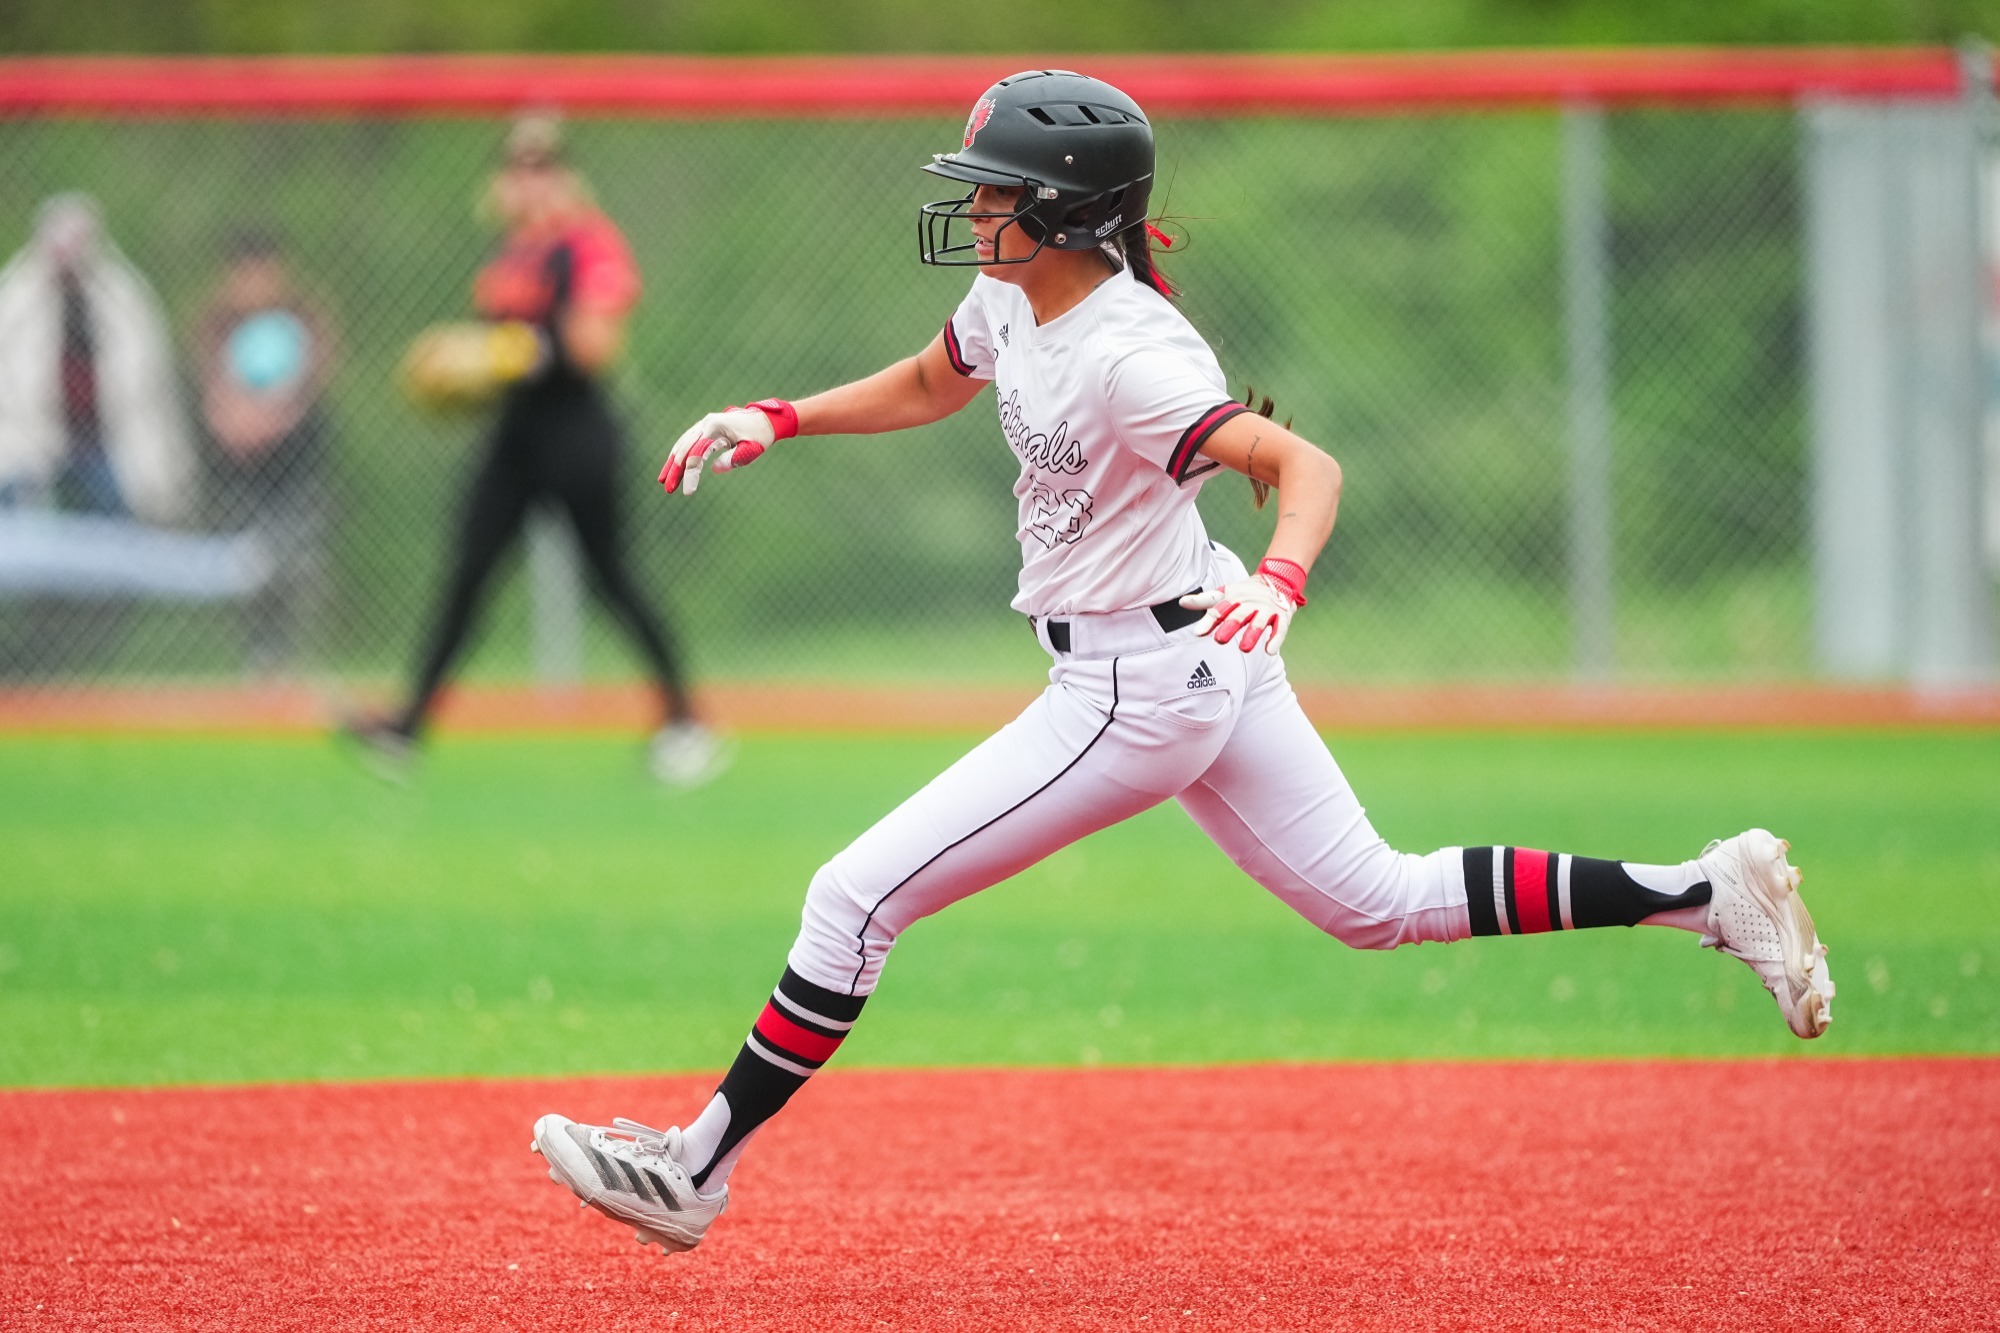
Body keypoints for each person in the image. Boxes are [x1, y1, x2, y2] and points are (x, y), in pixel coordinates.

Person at [529, 71, 1835, 1254]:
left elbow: (1304, 465)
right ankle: (1704, 891)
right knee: (1374, 898)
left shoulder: (1132, 353)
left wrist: (1283, 577)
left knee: (851, 899)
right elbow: (934, 380)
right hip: (1180, 645)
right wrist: (780, 416)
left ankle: (693, 1169)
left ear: (1064, 211)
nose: (973, 206)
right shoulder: (1015, 291)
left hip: (1137, 688)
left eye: (994, 188)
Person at [346, 112, 723, 783]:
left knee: (612, 577)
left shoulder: (587, 244)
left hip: (578, 434)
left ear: (566, 176)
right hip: (516, 437)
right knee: (468, 572)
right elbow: (499, 362)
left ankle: (686, 721)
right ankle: (407, 726)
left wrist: (506, 352)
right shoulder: (510, 254)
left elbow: (594, 347)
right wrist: (471, 376)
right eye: (518, 167)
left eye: (543, 166)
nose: (530, 180)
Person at [0, 193, 192, 523]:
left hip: (101, 438)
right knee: (21, 503)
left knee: (115, 508)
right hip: (35, 434)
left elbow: (142, 369)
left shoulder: (121, 297)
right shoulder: (18, 297)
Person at [193, 230, 336, 671]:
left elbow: (316, 374)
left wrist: (274, 416)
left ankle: (292, 654)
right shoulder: (217, 322)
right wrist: (235, 419)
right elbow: (209, 382)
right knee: (244, 559)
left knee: (296, 558)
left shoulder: (303, 316)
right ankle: (256, 653)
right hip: (237, 462)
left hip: (293, 457)